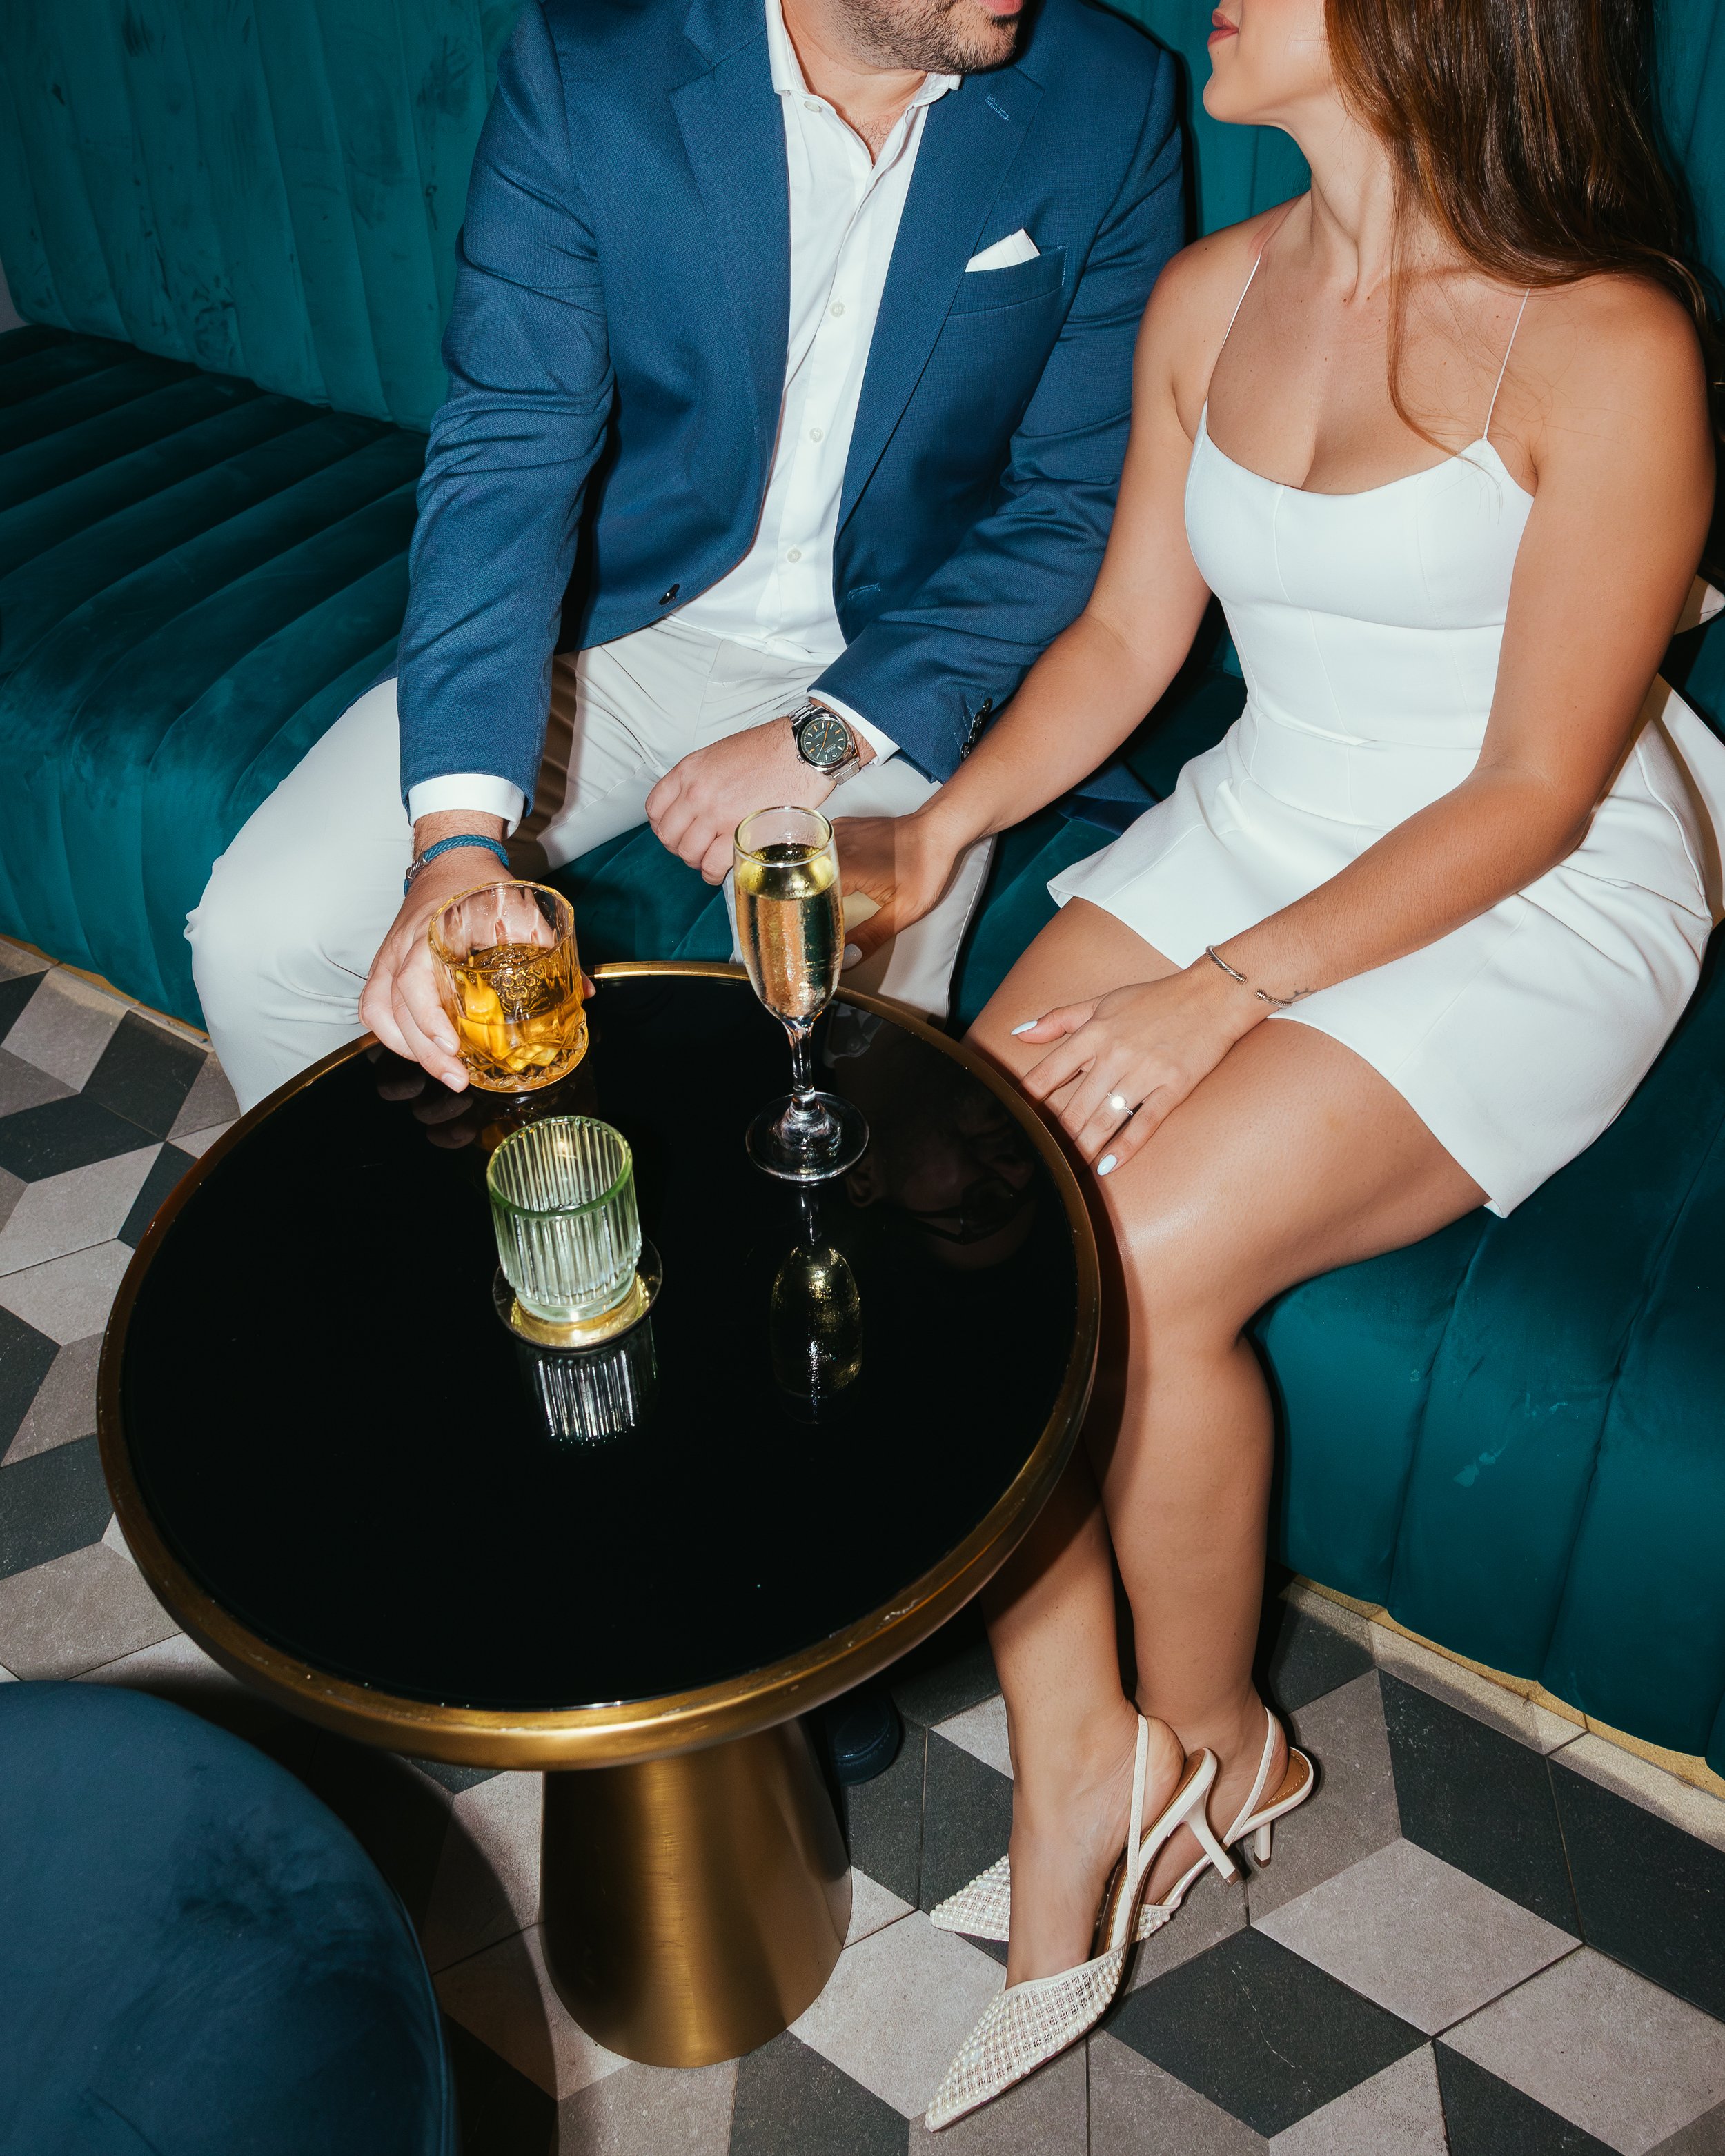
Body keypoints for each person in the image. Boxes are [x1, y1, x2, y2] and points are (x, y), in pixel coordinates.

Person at [830, 0, 1724, 2128]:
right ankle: (1084, 1745)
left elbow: (1529, 784)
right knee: (945, 1195)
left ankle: (1221, 1732)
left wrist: (1217, 991)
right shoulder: (1212, 291)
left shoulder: (1606, 342)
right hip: (1273, 807)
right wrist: (943, 822)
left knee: (1131, 1250)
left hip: (1533, 876)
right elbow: (1129, 637)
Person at [185, 0, 1184, 1112]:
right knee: (262, 940)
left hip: (899, 657)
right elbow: (509, 451)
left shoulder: (1107, 92)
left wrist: (830, 732)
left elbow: (1075, 502)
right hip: (619, 633)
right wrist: (454, 845)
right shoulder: (589, 71)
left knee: (824, 1049)